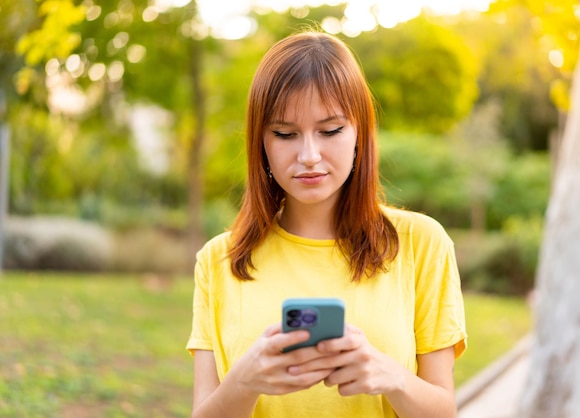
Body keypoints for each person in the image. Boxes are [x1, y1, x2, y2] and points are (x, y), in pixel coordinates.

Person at [186, 30, 467, 418]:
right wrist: (245, 381)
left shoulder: (421, 243)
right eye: (285, 134)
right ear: (260, 143)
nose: (309, 156)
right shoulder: (219, 259)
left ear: (359, 134)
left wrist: (389, 376)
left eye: (330, 130)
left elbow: (443, 410)